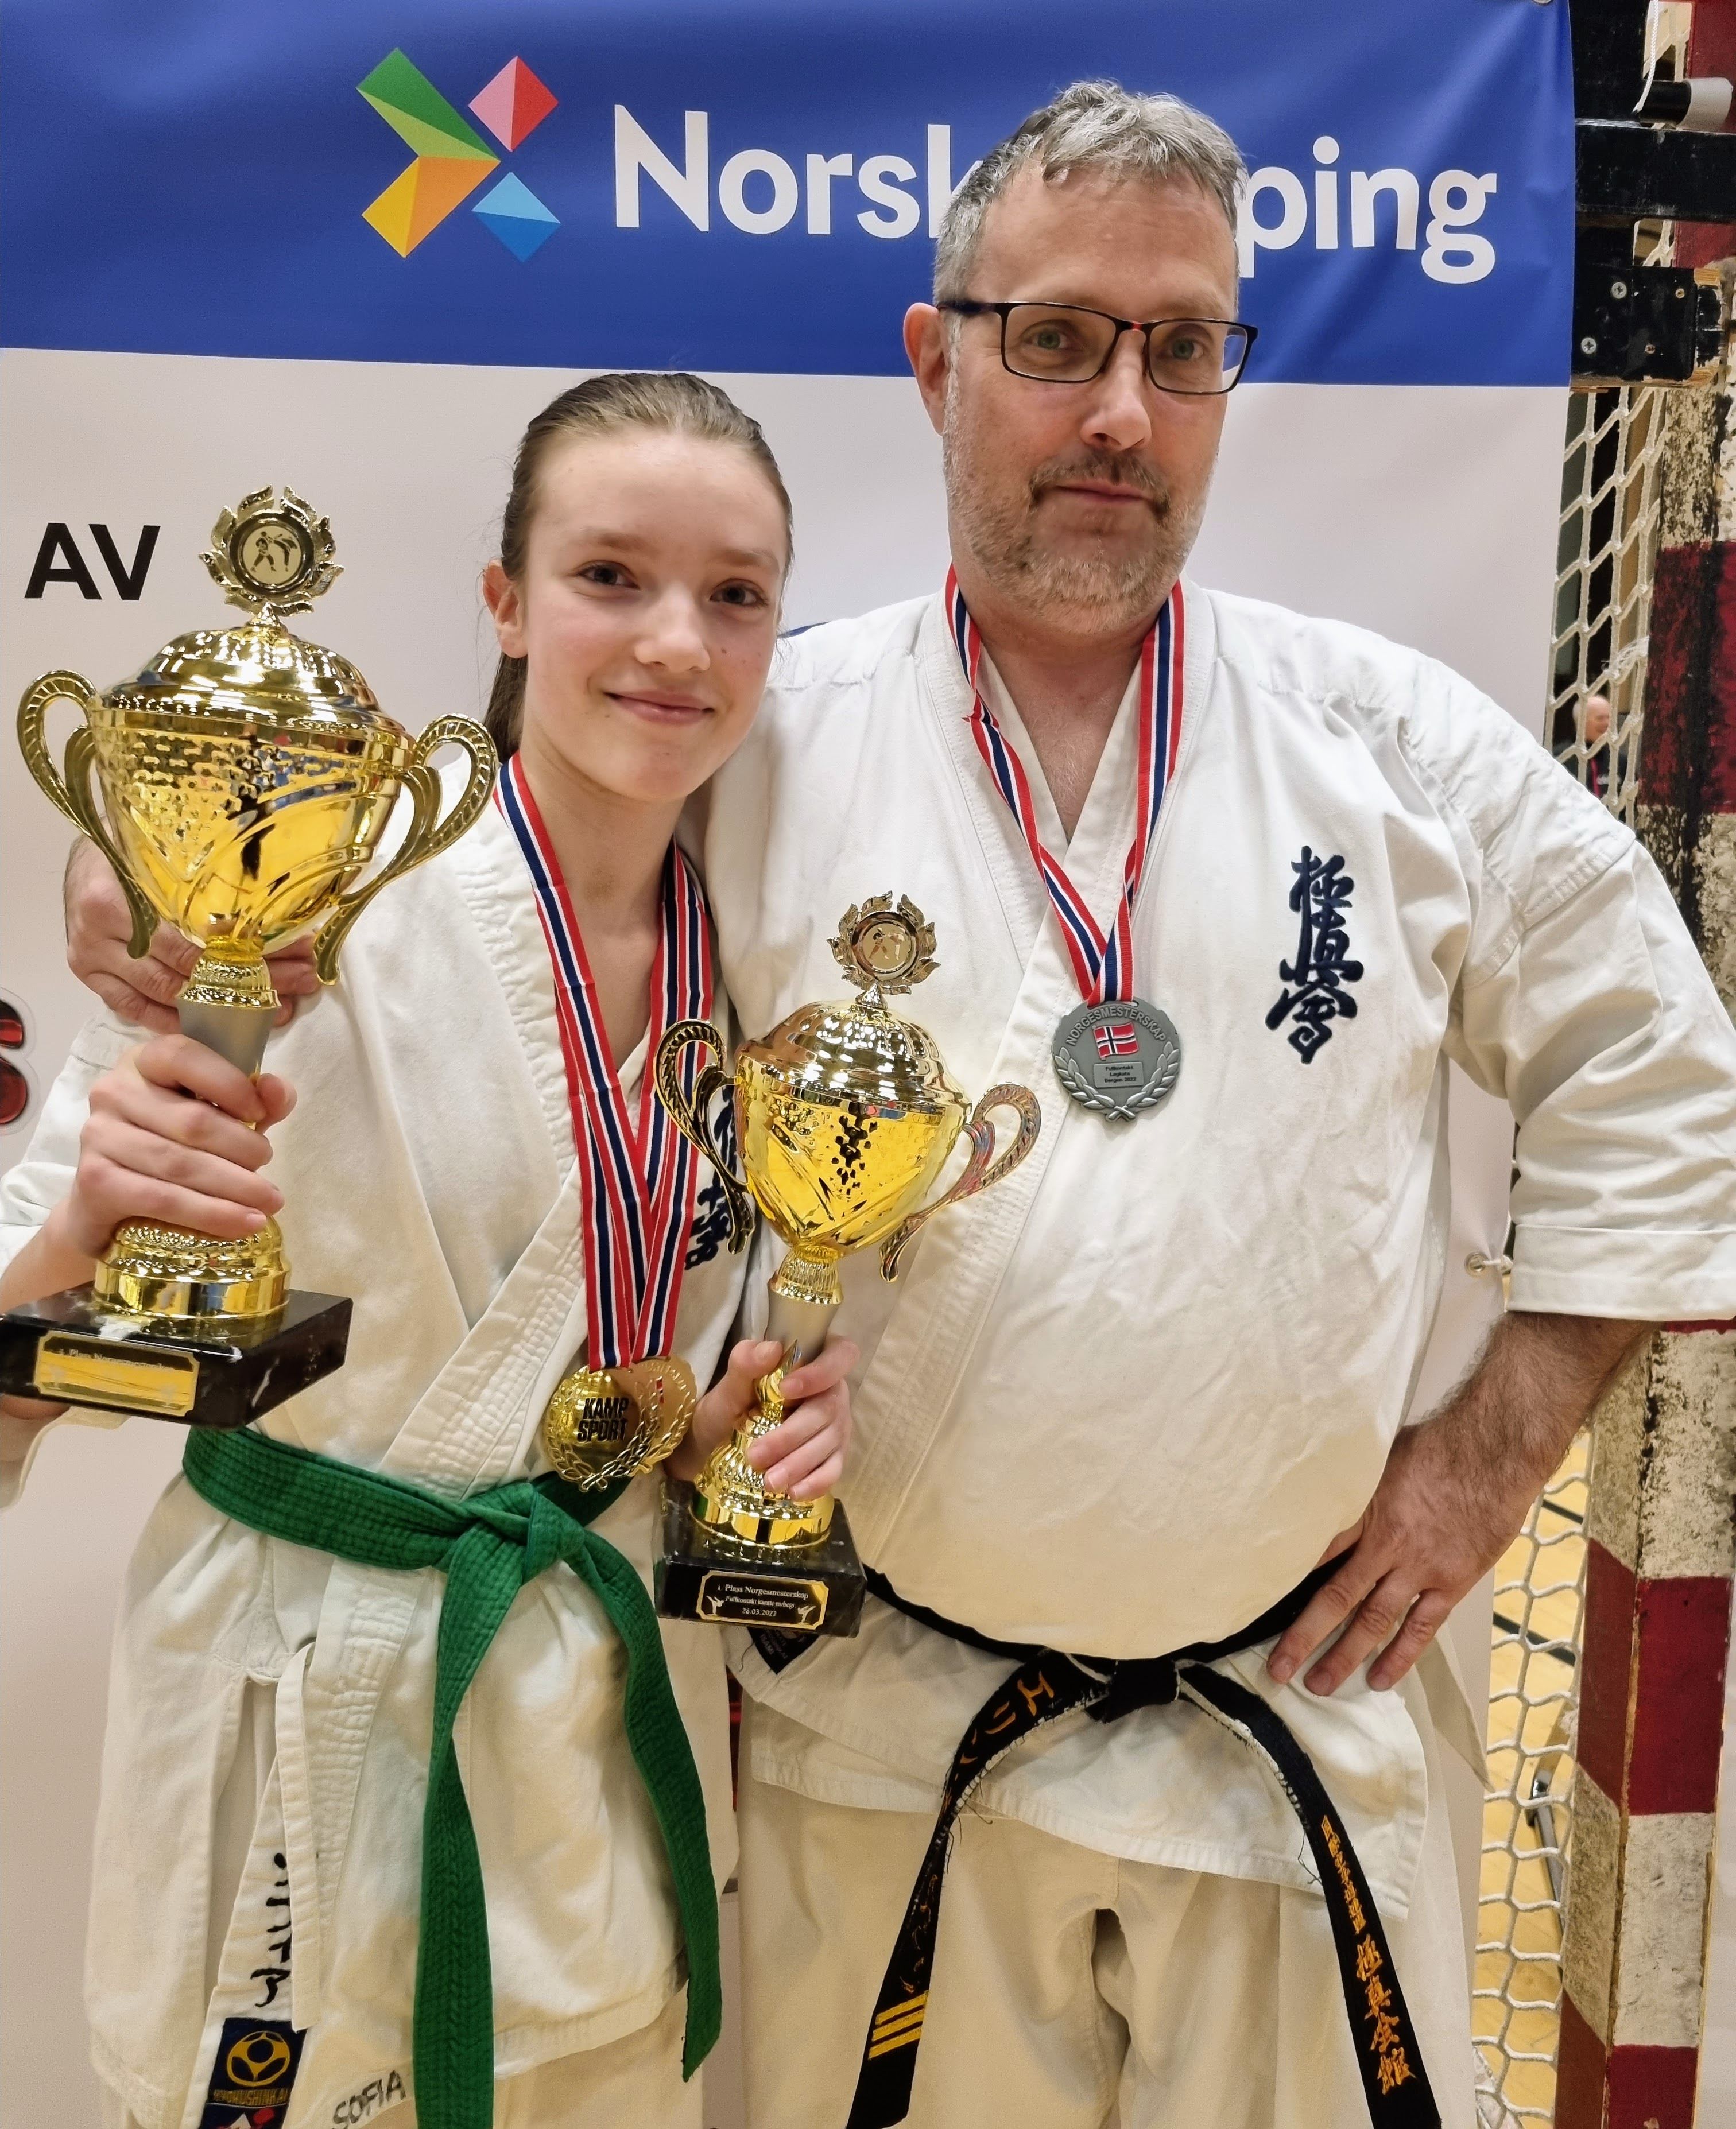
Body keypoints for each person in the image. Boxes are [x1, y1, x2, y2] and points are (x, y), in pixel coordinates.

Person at [58, 83, 1736, 2129]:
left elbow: (1660, 1058)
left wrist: (1492, 1453)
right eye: (1058, 339)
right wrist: (190, 901)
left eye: (1181, 349)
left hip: (1288, 1722)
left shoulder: (1388, 741)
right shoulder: (767, 730)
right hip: (877, 1729)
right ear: (938, 363)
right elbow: (508, 837)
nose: (1120, 411)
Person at [1, 372, 855, 2129]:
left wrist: (713, 1435)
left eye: (736, 594)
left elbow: (617, 1355)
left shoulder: (766, 962)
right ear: (504, 602)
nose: (676, 641)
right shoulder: (302, 897)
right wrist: (86, 1227)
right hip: (307, 1722)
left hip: (594, 1758)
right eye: (610, 575)